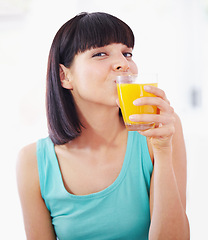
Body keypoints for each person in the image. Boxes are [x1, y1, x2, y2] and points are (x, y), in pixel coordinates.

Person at [16, 12, 190, 239]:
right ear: (64, 76)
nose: (123, 64)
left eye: (127, 53)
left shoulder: (159, 133)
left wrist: (164, 151)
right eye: (100, 53)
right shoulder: (32, 162)